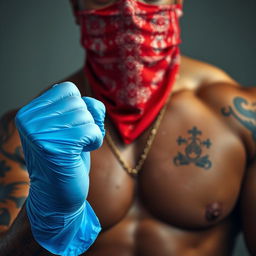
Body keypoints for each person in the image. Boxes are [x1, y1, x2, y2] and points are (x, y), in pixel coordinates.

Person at [0, 0, 255, 255]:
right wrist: (46, 216)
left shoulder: (242, 117)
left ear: (177, 2)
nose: (129, 9)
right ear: (76, 8)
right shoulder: (30, 133)